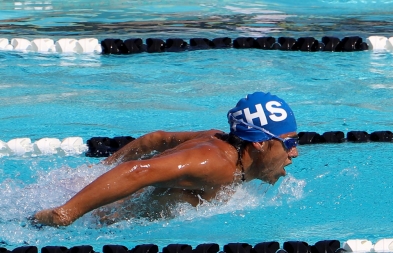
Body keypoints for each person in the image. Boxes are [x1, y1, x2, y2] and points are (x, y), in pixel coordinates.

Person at [33, 91, 299, 226]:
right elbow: (138, 171)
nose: (294, 152)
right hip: (102, 220)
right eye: (289, 143)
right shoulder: (216, 165)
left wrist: (97, 170)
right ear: (260, 142)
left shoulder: (218, 139)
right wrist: (66, 214)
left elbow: (155, 139)